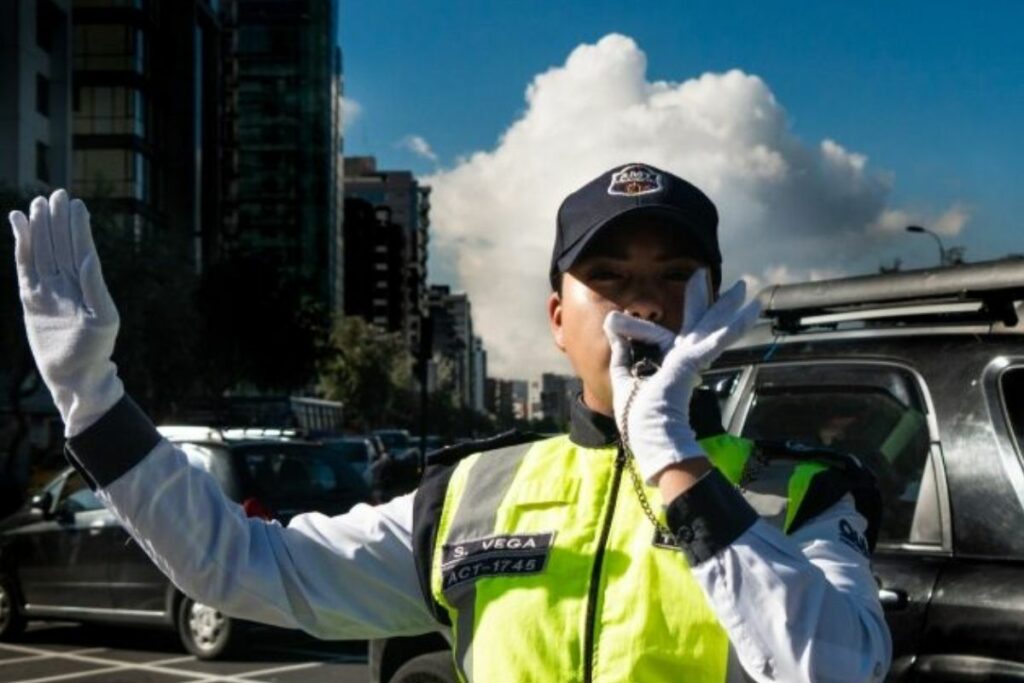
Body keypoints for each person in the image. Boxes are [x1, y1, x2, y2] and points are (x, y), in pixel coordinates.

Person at [9, 163, 890, 682]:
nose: (644, 301)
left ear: (713, 301)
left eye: (674, 274)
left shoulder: (798, 492)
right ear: (557, 316)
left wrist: (669, 453)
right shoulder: (472, 494)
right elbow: (242, 565)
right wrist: (93, 399)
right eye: (611, 277)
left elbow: (840, 669)